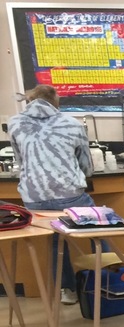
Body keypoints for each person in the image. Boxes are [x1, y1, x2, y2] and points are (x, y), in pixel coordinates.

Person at [8, 85, 93, 305]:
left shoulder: (14, 123)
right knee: (103, 225)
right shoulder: (72, 123)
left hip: (33, 198)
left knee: (56, 239)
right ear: (55, 102)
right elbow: (86, 165)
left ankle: (68, 290)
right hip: (69, 194)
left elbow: (21, 161)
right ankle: (108, 280)